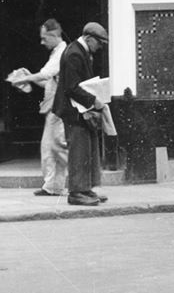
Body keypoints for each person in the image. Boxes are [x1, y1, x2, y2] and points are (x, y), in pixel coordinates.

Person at [53, 21, 109, 207]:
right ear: (88, 38)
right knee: (79, 151)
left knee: (87, 149)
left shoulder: (80, 51)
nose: (100, 47)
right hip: (73, 111)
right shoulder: (74, 54)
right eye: (99, 43)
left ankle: (85, 188)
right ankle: (76, 192)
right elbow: (71, 87)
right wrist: (94, 101)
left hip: (80, 109)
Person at [12, 19, 68, 197]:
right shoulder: (56, 53)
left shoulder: (61, 53)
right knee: (50, 147)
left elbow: (45, 74)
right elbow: (48, 83)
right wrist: (30, 77)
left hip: (59, 107)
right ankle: (53, 185)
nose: (42, 42)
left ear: (53, 35)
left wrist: (25, 79)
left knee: (58, 145)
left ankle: (80, 181)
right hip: (53, 107)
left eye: (44, 38)